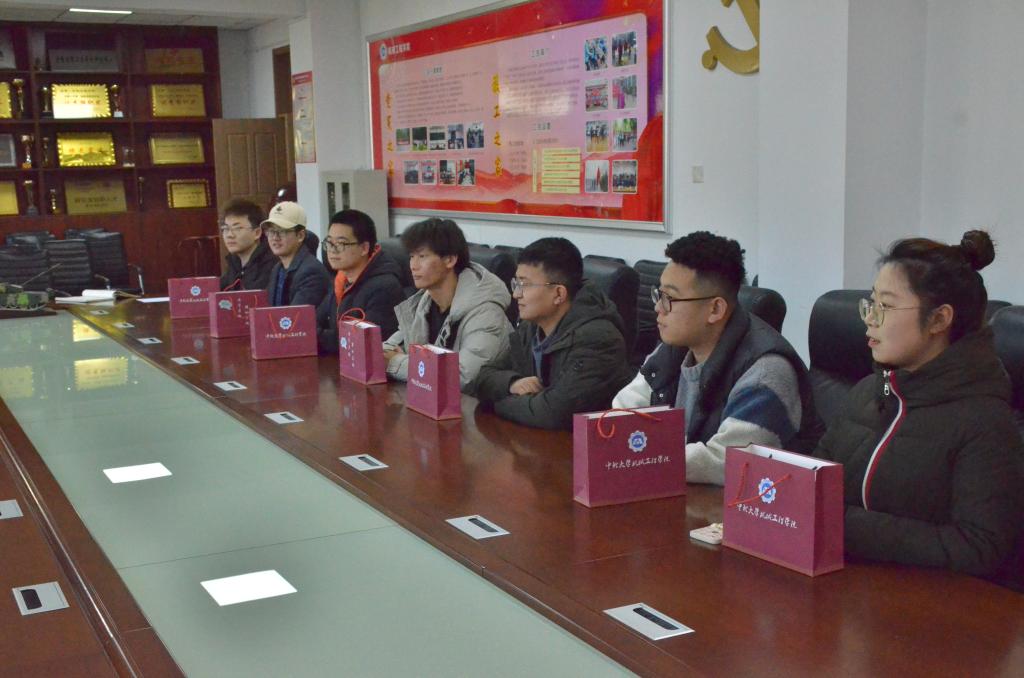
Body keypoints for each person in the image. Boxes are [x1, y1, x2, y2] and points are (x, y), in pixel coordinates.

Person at [814, 231, 1023, 585]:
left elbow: (979, 547)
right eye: (871, 303)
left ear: (939, 320)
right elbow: (815, 481)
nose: (870, 319)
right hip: (843, 585)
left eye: (886, 306)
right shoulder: (869, 390)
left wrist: (843, 526)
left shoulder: (985, 421)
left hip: (926, 605)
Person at [613, 231, 820, 485]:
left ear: (715, 309)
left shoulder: (766, 371)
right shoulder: (675, 346)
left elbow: (725, 461)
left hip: (749, 503)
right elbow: (622, 413)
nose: (658, 307)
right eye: (659, 294)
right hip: (683, 493)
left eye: (669, 298)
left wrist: (640, 452)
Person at [474, 238, 633, 429]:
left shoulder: (598, 339)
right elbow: (484, 378)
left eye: (525, 285)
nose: (516, 294)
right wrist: (512, 383)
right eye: (516, 283)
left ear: (558, 294)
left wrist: (494, 403)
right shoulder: (532, 327)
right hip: (537, 439)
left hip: (585, 443)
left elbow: (553, 414)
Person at [383, 218, 511, 390]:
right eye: (411, 256)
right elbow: (389, 349)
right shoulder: (422, 302)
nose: (413, 265)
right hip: (430, 399)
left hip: (475, 403)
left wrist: (396, 362)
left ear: (450, 260)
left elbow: (463, 376)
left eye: (422, 256)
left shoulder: (485, 312)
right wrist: (388, 356)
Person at [315, 209, 405, 354]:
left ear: (364, 248)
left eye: (341, 243)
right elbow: (313, 322)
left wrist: (315, 335)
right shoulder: (342, 279)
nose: (332, 250)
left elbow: (360, 341)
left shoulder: (384, 287)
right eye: (329, 242)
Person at [262, 201, 330, 308]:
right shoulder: (277, 268)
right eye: (271, 231)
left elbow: (296, 316)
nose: (275, 237)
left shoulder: (311, 272)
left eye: (282, 231)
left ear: (300, 235)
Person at [219, 199, 276, 291]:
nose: (229, 235)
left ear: (257, 233)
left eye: (237, 228)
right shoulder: (233, 263)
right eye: (225, 228)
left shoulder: (271, 265)